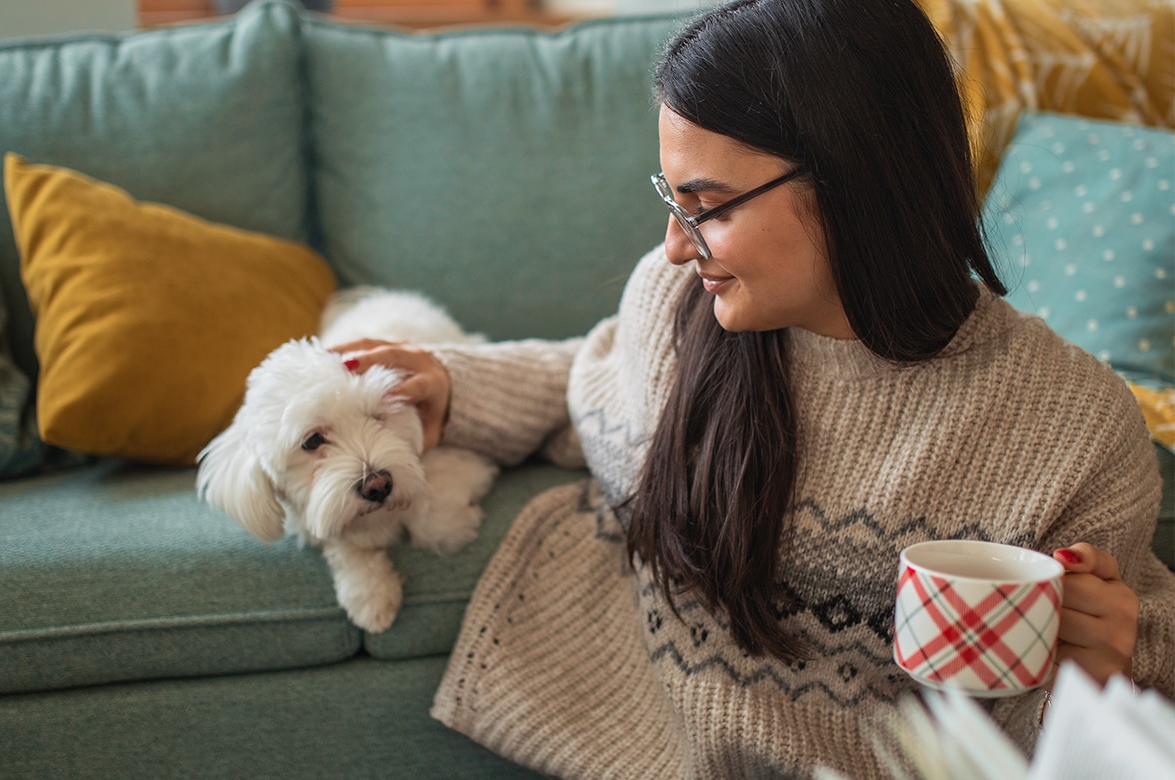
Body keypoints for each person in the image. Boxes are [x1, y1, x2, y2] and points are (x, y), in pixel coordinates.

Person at [334, 0, 1175, 775]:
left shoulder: (1073, 428)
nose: (675, 244)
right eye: (674, 195)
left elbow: (1113, 697)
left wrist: (1121, 660)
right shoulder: (673, 308)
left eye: (709, 204)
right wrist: (458, 385)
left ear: (858, 181)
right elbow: (594, 381)